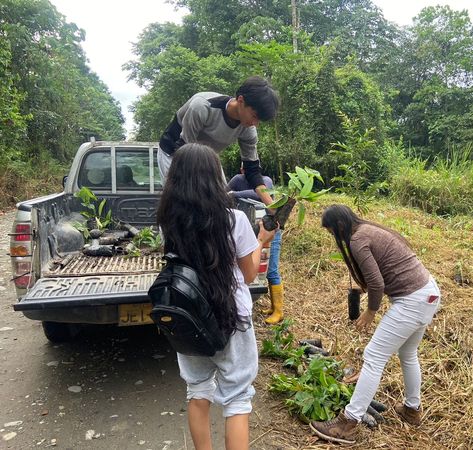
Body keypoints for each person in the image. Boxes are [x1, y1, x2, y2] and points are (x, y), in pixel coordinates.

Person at [157, 143, 276, 450]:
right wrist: (262, 240)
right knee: (237, 399)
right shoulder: (233, 220)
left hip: (189, 316)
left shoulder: (168, 222)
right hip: (230, 316)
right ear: (215, 178)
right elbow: (248, 274)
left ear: (175, 179)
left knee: (197, 391)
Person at [310, 205, 441, 445]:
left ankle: (348, 423)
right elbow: (384, 272)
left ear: (340, 225)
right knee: (408, 353)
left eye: (331, 232)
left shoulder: (357, 240)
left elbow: (377, 283)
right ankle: (412, 409)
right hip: (428, 293)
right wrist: (364, 289)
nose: (333, 237)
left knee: (373, 356)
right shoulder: (368, 230)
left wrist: (370, 312)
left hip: (412, 300)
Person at [157, 76, 279, 208]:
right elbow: (184, 153)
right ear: (241, 100)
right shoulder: (202, 107)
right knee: (183, 203)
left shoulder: (248, 129)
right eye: (254, 116)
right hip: (174, 152)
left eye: (259, 120)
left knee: (221, 202)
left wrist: (272, 207)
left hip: (207, 157)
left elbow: (252, 171)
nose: (254, 123)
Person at [228, 169, 284, 324]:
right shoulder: (237, 179)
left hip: (271, 229)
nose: (245, 170)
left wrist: (235, 194)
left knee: (272, 270)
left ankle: (279, 311)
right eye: (243, 167)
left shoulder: (265, 181)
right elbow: (224, 192)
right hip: (252, 230)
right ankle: (273, 307)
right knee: (260, 269)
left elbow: (258, 194)